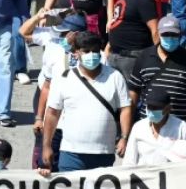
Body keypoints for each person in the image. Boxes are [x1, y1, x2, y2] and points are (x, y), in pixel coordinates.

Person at [40, 31, 131, 174]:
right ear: (76, 53)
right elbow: (52, 113)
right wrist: (46, 146)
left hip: (104, 153)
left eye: (95, 51)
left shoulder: (115, 76)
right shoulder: (64, 78)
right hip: (71, 154)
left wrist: (124, 138)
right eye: (86, 51)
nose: (92, 55)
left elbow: (125, 108)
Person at [19, 11, 87, 170]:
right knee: (42, 138)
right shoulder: (52, 40)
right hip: (47, 95)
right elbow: (23, 32)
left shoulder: (89, 53)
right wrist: (39, 117)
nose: (62, 36)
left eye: (66, 33)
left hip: (72, 101)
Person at [129, 14, 186, 141]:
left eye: (173, 35)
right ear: (158, 34)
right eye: (166, 34)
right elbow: (133, 92)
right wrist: (129, 126)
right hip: (148, 130)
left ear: (180, 35)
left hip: (179, 130)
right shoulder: (144, 57)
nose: (169, 38)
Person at [106, 0, 160, 81]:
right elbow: (120, 21)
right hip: (115, 55)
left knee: (133, 97)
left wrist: (158, 57)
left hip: (132, 59)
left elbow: (155, 30)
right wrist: (109, 46)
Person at [122, 88, 186, 165]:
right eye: (149, 107)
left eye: (156, 108)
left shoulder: (181, 127)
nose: (152, 111)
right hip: (143, 175)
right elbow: (129, 161)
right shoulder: (138, 127)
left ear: (168, 109)